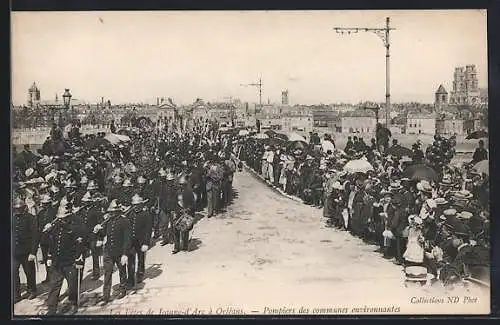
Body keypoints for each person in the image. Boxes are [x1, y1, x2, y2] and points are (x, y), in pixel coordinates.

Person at [44, 198, 87, 315]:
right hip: (57, 261)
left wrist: (79, 258)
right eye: (59, 218)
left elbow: (80, 244)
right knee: (54, 285)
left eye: (63, 218)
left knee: (72, 285)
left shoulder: (75, 227)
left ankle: (73, 303)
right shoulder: (55, 227)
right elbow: (52, 243)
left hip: (70, 262)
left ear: (68, 217)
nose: (61, 220)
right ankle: (52, 308)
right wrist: (49, 256)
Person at [95, 200, 132, 305]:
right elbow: (104, 233)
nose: (110, 213)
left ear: (118, 212)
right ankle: (106, 295)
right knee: (107, 273)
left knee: (122, 271)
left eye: (112, 212)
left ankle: (122, 289)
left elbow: (127, 239)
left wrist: (125, 254)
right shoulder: (108, 221)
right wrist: (98, 231)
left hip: (120, 251)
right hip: (108, 251)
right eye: (110, 212)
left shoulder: (125, 221)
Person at [13, 198, 38, 303]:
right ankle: (16, 295)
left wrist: (33, 252)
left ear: (24, 208)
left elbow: (35, 236)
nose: (18, 210)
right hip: (14, 251)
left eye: (20, 208)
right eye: (16, 208)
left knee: (29, 272)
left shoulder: (31, 218)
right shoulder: (12, 218)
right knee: (13, 273)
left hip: (27, 251)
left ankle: (32, 290)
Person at [126, 194, 152, 286]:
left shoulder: (146, 214)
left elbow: (148, 230)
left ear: (141, 204)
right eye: (134, 205)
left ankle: (140, 274)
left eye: (137, 205)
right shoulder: (130, 213)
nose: (135, 207)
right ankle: (130, 279)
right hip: (131, 241)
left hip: (141, 241)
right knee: (130, 260)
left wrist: (146, 243)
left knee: (141, 259)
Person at [172, 176, 195, 254]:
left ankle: (185, 246)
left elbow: (193, 204)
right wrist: (176, 210)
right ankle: (176, 247)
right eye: (180, 184)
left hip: (186, 214)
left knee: (185, 230)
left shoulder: (189, 192)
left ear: (185, 184)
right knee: (176, 230)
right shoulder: (176, 192)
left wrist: (188, 209)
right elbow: (174, 203)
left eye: (182, 184)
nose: (181, 186)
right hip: (178, 213)